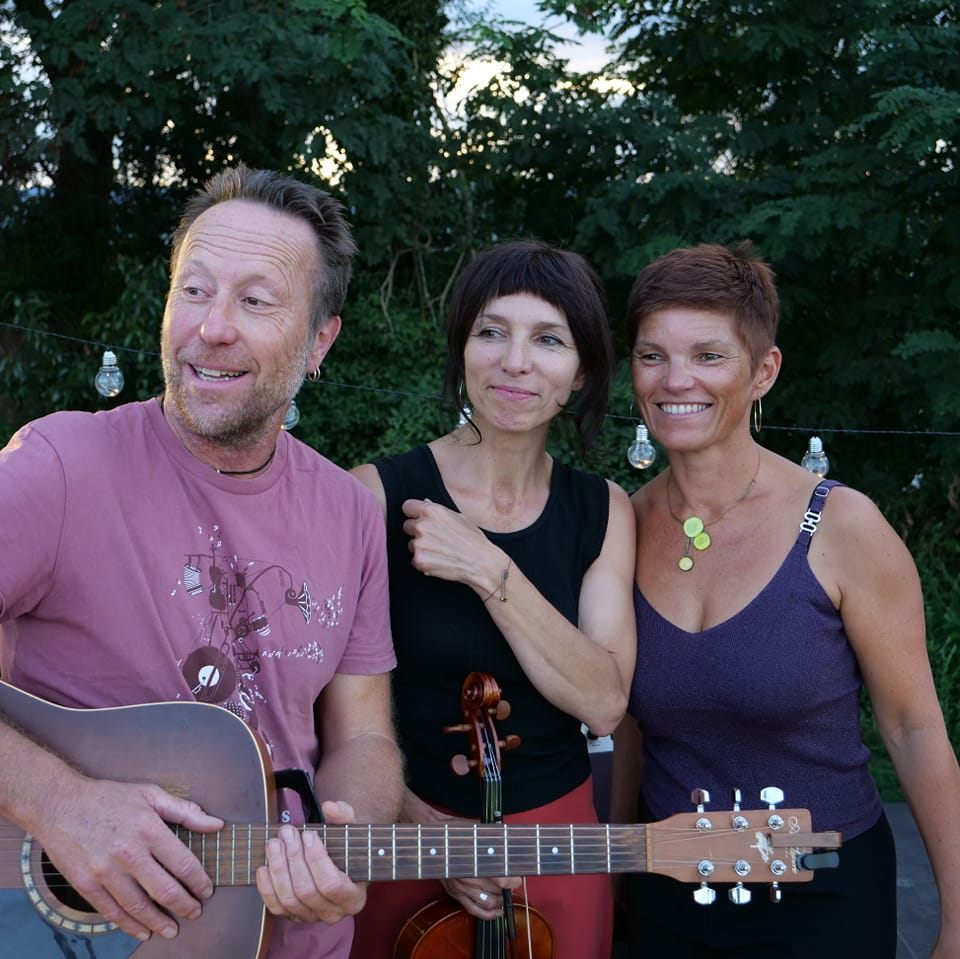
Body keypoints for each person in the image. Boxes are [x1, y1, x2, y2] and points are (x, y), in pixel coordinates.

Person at [0, 164, 403, 959]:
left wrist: (343, 838)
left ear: (321, 339)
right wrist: (58, 801)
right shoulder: (57, 465)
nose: (211, 327)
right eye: (194, 289)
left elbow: (364, 738)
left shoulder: (351, 511)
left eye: (255, 301)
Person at [612, 241, 960, 958]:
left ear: (762, 370)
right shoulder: (621, 523)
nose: (676, 379)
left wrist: (958, 920)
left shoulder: (842, 526)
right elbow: (630, 737)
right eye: (653, 355)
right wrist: (610, 886)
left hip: (822, 899)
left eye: (709, 355)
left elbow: (914, 727)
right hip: (664, 897)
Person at [348, 239, 637, 958]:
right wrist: (423, 827)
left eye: (547, 339)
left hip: (558, 843)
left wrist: (487, 566)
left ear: (580, 373)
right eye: (491, 332)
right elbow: (338, 714)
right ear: (462, 350)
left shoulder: (603, 508)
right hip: (405, 840)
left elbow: (603, 700)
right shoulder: (372, 493)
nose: (515, 361)